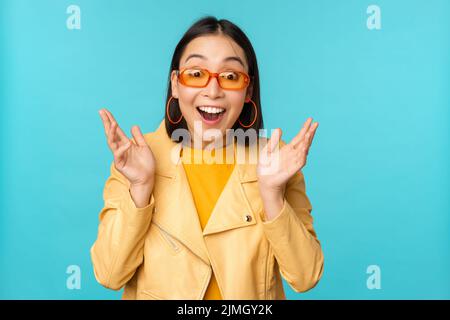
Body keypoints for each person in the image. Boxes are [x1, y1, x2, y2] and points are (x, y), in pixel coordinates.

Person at [90, 16, 324, 300]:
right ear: (176, 84)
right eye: (196, 74)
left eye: (230, 77)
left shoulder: (276, 159)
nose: (213, 91)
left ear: (248, 90)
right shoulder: (138, 158)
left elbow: (306, 276)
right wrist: (140, 188)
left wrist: (272, 195)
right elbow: (109, 274)